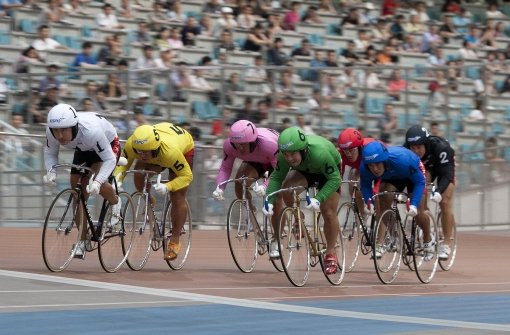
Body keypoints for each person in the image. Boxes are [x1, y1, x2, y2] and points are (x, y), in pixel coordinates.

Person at [43, 103, 122, 258]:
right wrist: (51, 172)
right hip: (83, 148)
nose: (59, 136)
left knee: (93, 181)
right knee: (77, 193)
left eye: (63, 130)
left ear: (74, 126)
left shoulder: (91, 131)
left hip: (107, 144)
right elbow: (50, 152)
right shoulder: (51, 131)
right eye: (56, 131)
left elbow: (109, 159)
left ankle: (115, 201)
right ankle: (82, 240)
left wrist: (98, 182)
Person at [263, 127, 342, 275]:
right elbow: (276, 178)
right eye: (285, 154)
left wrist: (318, 199)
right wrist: (269, 200)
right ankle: (298, 219)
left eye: (292, 154)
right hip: (306, 170)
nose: (289, 158)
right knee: (287, 188)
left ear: (303, 149)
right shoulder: (284, 156)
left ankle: (331, 253)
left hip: (328, 174)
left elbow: (335, 179)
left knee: (328, 211)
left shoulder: (319, 153)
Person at [114, 123, 194, 261]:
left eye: (145, 152)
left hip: (182, 148)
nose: (141, 154)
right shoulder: (133, 144)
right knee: (139, 173)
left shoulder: (170, 152)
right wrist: (118, 179)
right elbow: (123, 165)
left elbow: (187, 177)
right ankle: (149, 200)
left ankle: (175, 240)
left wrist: (168, 186)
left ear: (155, 147)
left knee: (177, 195)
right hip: (160, 152)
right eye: (139, 151)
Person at [212, 120, 279, 253]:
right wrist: (220, 187)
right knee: (240, 183)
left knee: (276, 198)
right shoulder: (229, 145)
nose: (240, 149)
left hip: (276, 161)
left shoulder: (269, 145)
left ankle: (276, 240)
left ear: (253, 141)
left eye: (243, 145)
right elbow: (225, 168)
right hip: (256, 161)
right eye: (237, 145)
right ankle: (251, 213)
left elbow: (278, 171)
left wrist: (265, 186)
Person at [360, 141, 433, 259]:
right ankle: (389, 238)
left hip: (412, 172)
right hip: (393, 176)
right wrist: (370, 203)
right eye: (371, 165)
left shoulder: (402, 160)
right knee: (383, 195)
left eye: (377, 164)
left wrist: (413, 204)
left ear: (384, 160)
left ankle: (428, 239)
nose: (375, 169)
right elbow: (365, 186)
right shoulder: (365, 167)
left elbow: (420, 182)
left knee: (418, 210)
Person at [404, 125, 456, 260]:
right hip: (427, 169)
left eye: (419, 147)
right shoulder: (406, 149)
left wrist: (438, 191)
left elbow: (447, 175)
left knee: (444, 200)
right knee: (420, 201)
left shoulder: (441, 148)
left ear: (426, 144)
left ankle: (446, 243)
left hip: (444, 168)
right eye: (413, 148)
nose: (416, 151)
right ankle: (430, 232)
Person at [337, 128, 377, 212]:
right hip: (359, 167)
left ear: (358, 147)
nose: (348, 154)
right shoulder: (341, 153)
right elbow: (339, 174)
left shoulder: (367, 150)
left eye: (351, 150)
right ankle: (359, 214)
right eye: (345, 151)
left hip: (375, 164)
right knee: (353, 176)